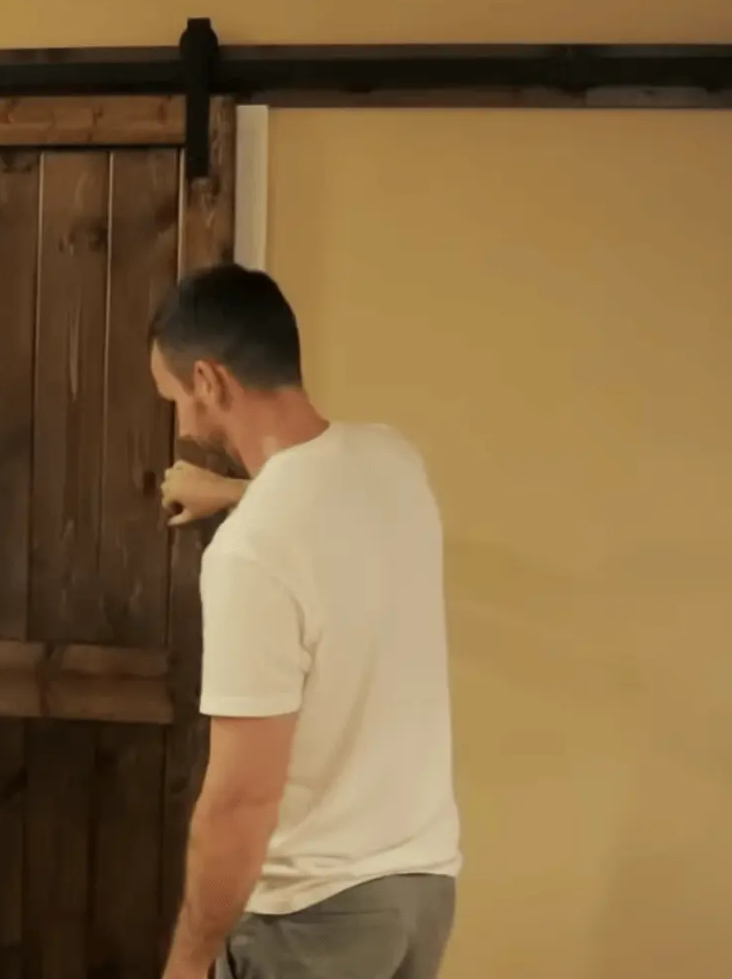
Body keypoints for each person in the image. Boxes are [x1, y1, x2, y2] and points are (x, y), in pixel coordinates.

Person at [150, 266, 461, 979]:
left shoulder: (251, 553)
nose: (185, 425)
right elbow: (321, 501)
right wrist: (232, 492)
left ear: (209, 380)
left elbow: (241, 799)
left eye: (176, 398)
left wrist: (189, 960)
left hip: (315, 921)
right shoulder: (393, 460)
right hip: (421, 894)